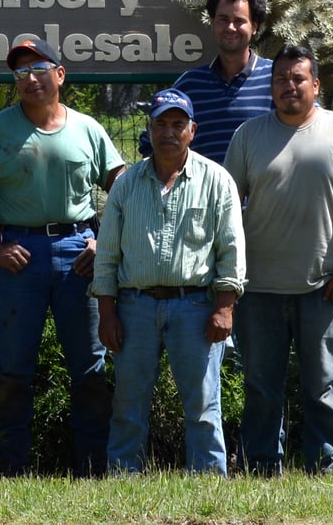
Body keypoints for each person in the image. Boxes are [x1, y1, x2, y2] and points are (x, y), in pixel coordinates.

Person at [0, 38, 126, 477]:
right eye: (20, 72)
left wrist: (103, 246)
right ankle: (12, 467)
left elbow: (124, 191)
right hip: (19, 258)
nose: (29, 78)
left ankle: (92, 467)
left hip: (79, 253)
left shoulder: (87, 129)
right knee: (13, 368)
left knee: (89, 367)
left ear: (60, 74)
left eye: (39, 68)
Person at [223, 44, 333, 475]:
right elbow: (227, 206)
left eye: (298, 79)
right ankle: (261, 466)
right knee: (260, 387)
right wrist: (228, 275)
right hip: (258, 289)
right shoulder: (248, 136)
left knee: (324, 385)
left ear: (315, 85)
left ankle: (326, 466)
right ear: (271, 86)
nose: (288, 87)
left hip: (323, 288)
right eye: (280, 80)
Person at [92, 88, 246, 475]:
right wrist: (106, 313)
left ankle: (208, 483)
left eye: (178, 124)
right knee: (128, 403)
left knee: (203, 405)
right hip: (134, 307)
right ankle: (123, 478)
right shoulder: (126, 184)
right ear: (149, 128)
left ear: (192, 130)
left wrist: (225, 308)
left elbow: (231, 250)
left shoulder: (217, 180)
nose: (168, 132)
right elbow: (107, 254)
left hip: (195, 306)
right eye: (160, 124)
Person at [140, 0, 272, 164]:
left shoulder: (277, 80)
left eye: (239, 21)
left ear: (254, 26)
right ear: (212, 23)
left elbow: (309, 128)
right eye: (223, 19)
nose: (230, 27)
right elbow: (151, 142)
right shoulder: (189, 85)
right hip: (203, 192)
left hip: (261, 192)